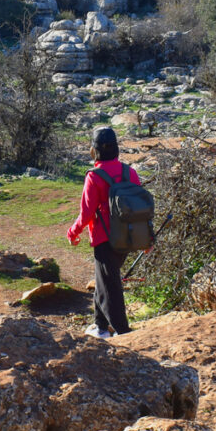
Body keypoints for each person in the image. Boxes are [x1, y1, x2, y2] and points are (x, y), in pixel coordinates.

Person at [67, 127, 138, 339]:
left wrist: (73, 232)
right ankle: (100, 327)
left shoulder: (94, 176)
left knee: (110, 287)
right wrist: (147, 237)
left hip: (105, 239)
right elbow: (140, 207)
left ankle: (122, 332)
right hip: (128, 237)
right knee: (103, 281)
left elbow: (87, 213)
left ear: (94, 150)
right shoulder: (130, 172)